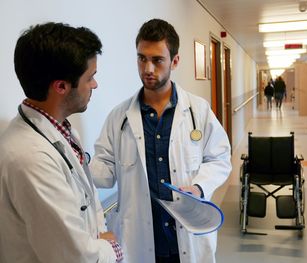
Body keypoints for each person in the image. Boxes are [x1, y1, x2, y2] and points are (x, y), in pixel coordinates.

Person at [91, 19, 232, 263]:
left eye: (157, 60)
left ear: (174, 61)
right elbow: (104, 171)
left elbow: (219, 158)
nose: (147, 68)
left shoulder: (198, 110)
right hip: (141, 240)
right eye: (141, 58)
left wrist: (199, 187)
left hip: (186, 237)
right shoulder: (119, 117)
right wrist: (76, 161)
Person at [0, 22, 123, 263]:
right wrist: (112, 247)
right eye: (90, 77)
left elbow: (87, 200)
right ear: (61, 86)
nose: (95, 85)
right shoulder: (30, 158)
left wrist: (98, 238)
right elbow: (73, 256)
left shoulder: (61, 131)